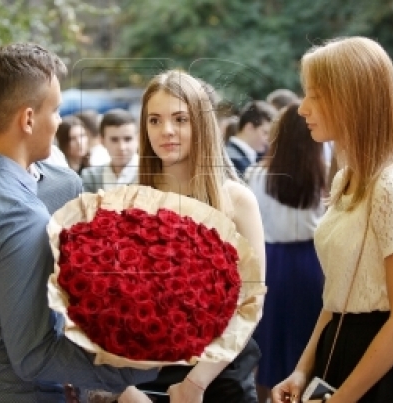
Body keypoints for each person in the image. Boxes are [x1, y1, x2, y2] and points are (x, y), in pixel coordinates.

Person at [0, 43, 156, 402]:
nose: (59, 121)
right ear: (28, 119)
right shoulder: (20, 212)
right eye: (55, 110)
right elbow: (33, 355)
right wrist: (138, 365)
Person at [272, 37, 393, 402]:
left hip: (388, 369)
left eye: (315, 95)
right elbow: (336, 296)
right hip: (342, 352)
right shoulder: (347, 178)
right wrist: (303, 369)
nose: (303, 108)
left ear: (353, 98)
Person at [119, 70, 265, 402]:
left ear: (201, 123)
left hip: (219, 377)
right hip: (145, 380)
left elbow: (250, 303)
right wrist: (122, 388)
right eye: (154, 120)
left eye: (180, 119)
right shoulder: (128, 202)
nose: (166, 131)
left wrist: (196, 383)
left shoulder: (237, 201)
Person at [245, 103, 326, 403]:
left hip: (271, 262)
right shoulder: (322, 174)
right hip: (310, 263)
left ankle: (267, 397)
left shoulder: (257, 174)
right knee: (304, 341)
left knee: (270, 342)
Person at [80, 108, 139, 192]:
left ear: (138, 139)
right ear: (102, 141)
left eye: (128, 139)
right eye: (114, 140)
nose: (122, 147)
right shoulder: (90, 176)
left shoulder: (153, 174)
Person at [225, 100, 276, 176]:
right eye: (265, 133)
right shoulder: (231, 159)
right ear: (249, 128)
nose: (269, 139)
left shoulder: (253, 156)